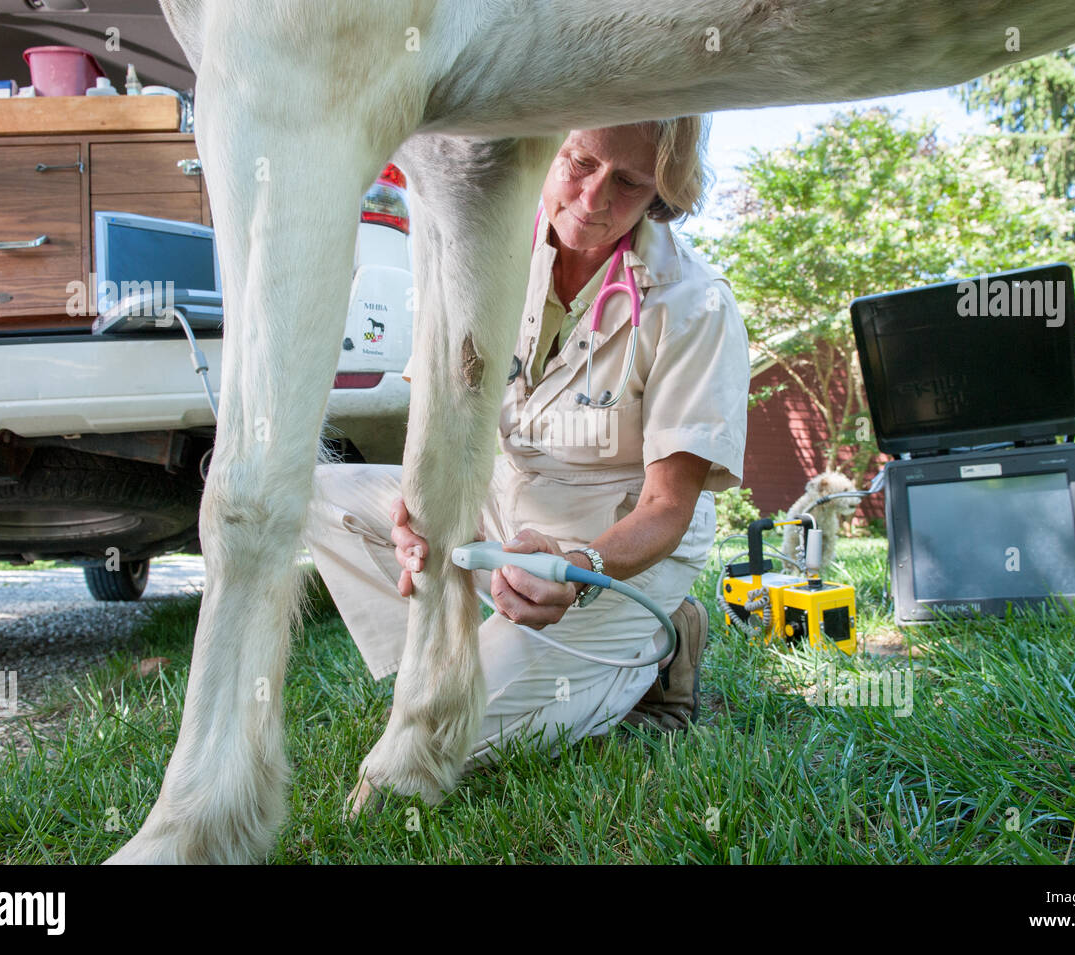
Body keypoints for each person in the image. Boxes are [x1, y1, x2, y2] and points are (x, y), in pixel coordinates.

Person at [302, 118, 750, 770]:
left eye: (627, 181)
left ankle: (655, 640)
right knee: (318, 493)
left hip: (611, 543)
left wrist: (578, 568)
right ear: (542, 150)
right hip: (505, 501)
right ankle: (430, 679)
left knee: (415, 759)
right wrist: (420, 506)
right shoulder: (485, 249)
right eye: (577, 162)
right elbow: (447, 415)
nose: (593, 199)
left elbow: (665, 508)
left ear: (662, 187)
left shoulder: (695, 304)